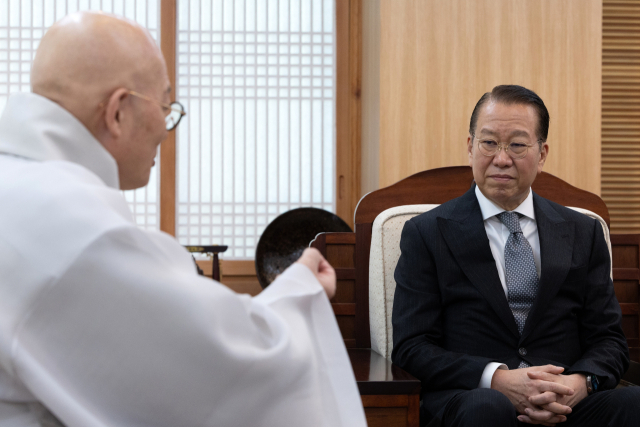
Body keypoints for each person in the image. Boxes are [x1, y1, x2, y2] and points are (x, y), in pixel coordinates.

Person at [0, 11, 366, 427]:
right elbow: (228, 367)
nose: (166, 128)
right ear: (118, 111)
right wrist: (301, 289)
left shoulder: (21, 189)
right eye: (166, 106)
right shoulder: (67, 224)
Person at [392, 85, 640, 427]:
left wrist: (577, 384)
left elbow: (609, 339)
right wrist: (496, 380)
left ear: (541, 154)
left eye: (518, 145)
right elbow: (412, 345)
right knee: (486, 409)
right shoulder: (427, 232)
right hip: (474, 398)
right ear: (470, 147)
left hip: (566, 403)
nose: (501, 158)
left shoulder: (583, 232)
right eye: (489, 142)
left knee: (634, 403)